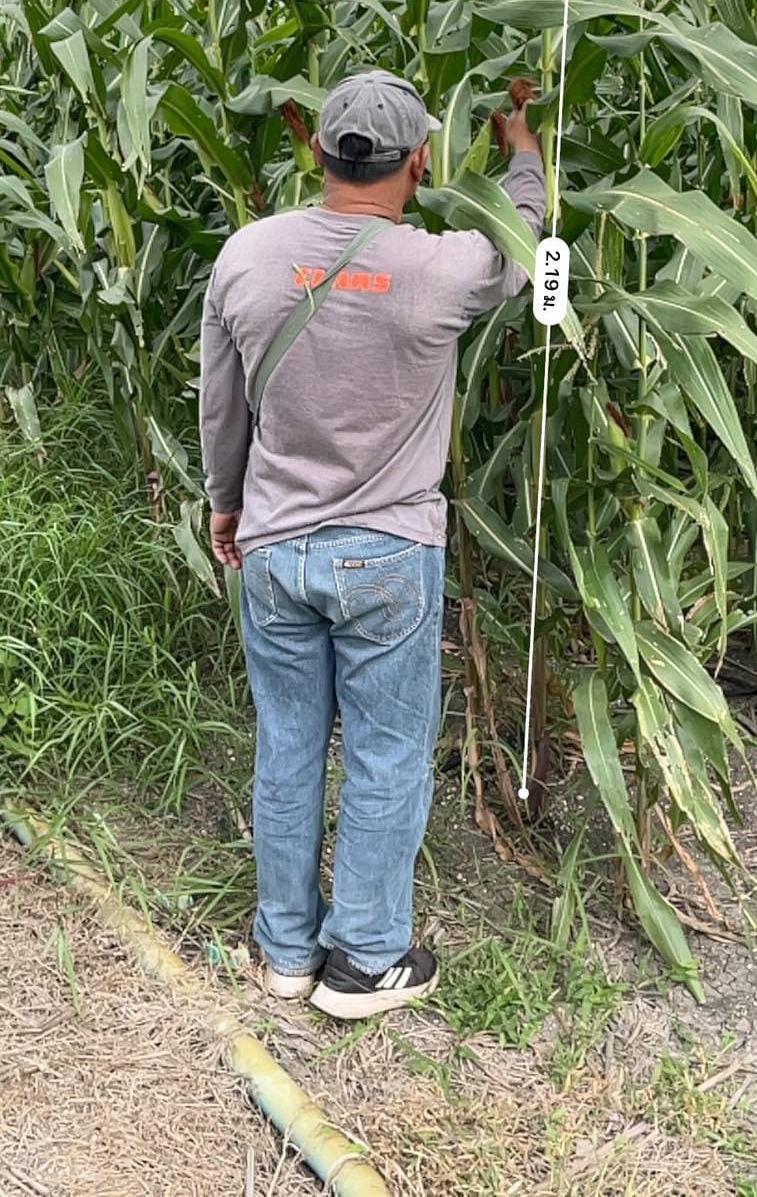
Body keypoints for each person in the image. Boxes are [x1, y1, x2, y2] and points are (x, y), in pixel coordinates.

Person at [199, 68, 544, 1019]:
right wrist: (523, 152)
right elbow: (520, 242)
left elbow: (220, 402)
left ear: (318, 152)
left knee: (289, 742)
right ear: (421, 160)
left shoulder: (247, 257)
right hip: (388, 553)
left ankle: (283, 950)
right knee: (388, 754)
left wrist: (226, 503)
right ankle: (366, 960)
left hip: (273, 549)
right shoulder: (441, 266)